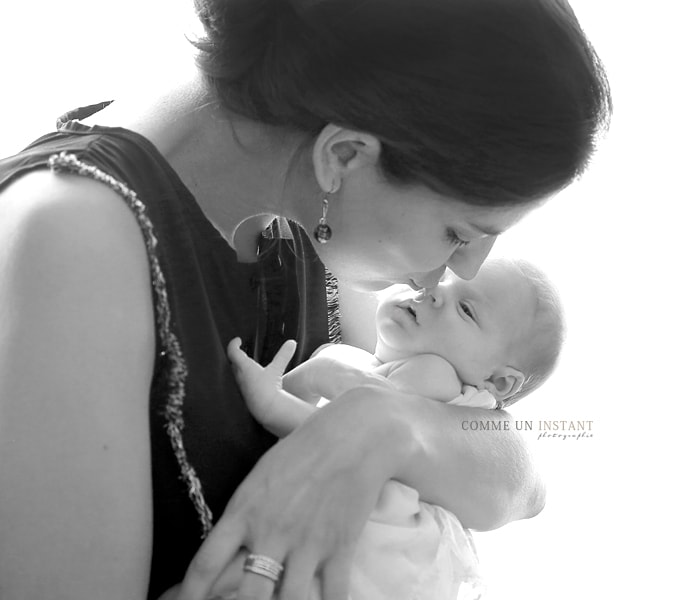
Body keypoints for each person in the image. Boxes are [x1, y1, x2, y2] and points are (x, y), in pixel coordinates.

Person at [0, 1, 610, 599]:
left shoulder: (310, 208)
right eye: (459, 232)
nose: (465, 268)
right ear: (344, 155)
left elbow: (520, 483)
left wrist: (381, 426)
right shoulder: (70, 238)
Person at [167, 257, 563, 600]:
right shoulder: (358, 362)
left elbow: (344, 439)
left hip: (372, 559)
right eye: (438, 277)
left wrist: (275, 402)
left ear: (498, 383)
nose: (434, 292)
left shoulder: (434, 376)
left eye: (467, 310)